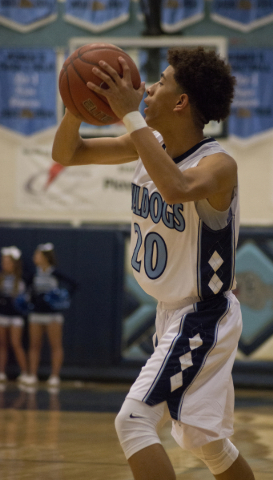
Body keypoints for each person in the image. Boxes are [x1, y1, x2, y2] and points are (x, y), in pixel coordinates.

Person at [52, 47, 255, 480]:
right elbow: (68, 153)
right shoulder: (149, 144)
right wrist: (77, 107)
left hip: (203, 316)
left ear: (181, 102)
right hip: (173, 317)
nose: (148, 87)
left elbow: (177, 187)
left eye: (161, 82)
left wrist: (130, 116)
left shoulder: (219, 165)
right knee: (208, 442)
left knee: (133, 421)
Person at [25, 243, 77, 387]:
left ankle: (55, 376)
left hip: (53, 316)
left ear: (45, 257)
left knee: (55, 345)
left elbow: (74, 284)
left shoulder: (55, 274)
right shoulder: (33, 274)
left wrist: (63, 296)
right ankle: (32, 375)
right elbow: (27, 291)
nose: (34, 257)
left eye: (37, 255)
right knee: (34, 345)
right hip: (36, 314)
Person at [0, 246, 29, 383]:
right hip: (3, 315)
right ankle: (1, 372)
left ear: (14, 263)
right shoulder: (1, 278)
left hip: (16, 316)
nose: (4, 264)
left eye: (7, 262)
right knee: (2, 344)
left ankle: (25, 372)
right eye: (3, 262)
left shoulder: (21, 279)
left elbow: (24, 300)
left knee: (15, 343)